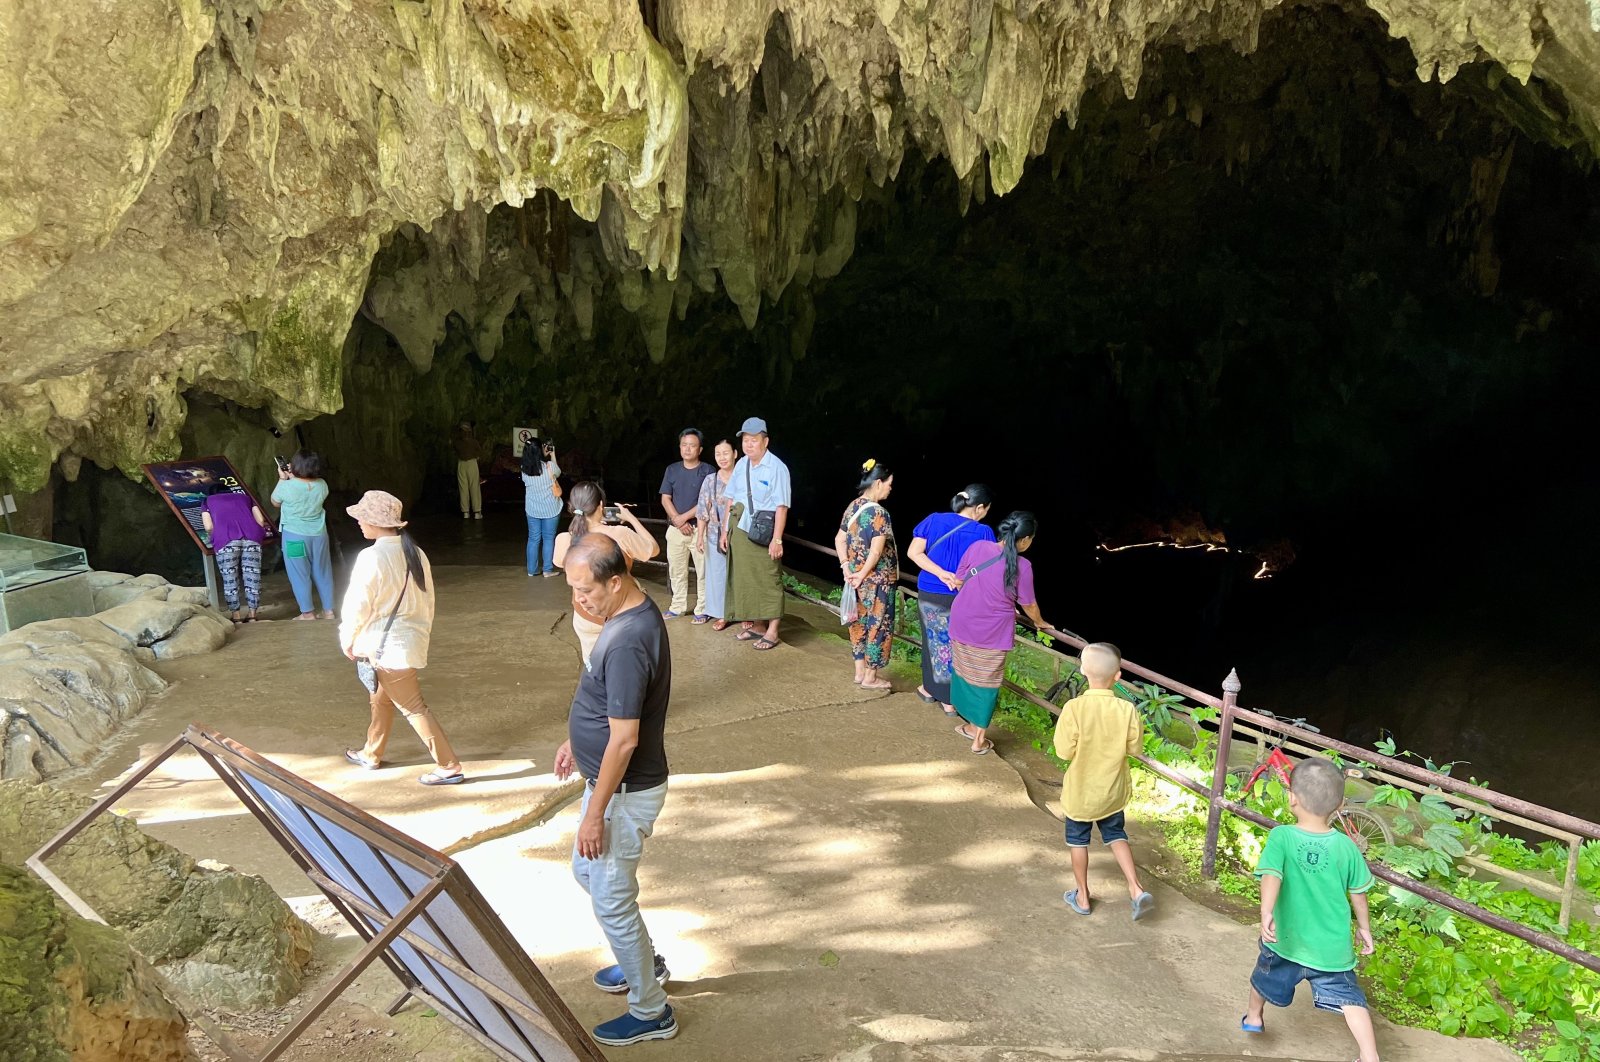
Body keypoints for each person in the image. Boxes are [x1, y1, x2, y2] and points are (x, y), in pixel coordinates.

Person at [552, 535, 678, 1046]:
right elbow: (606, 703)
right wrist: (574, 738)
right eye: (573, 589)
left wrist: (592, 814)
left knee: (611, 898)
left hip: (623, 793)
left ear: (616, 581)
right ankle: (642, 962)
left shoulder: (627, 639)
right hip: (609, 785)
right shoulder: (622, 619)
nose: (579, 600)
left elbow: (625, 739)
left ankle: (651, 1011)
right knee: (589, 873)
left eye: (586, 591)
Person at [1242, 756, 1378, 1062]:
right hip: (1332, 948)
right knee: (1351, 999)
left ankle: (1253, 1017)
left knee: (1263, 977)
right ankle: (1369, 1055)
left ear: (1292, 798)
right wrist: (1365, 928)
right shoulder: (1347, 847)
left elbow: (1271, 875)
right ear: (1340, 804)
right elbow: (1359, 894)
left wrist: (1266, 913)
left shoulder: (1283, 837)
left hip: (1285, 940)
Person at [338, 491, 466, 786]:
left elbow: (358, 604)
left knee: (413, 707)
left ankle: (449, 765)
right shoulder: (415, 552)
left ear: (374, 521)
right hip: (404, 642)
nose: (358, 522)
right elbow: (428, 600)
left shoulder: (371, 556)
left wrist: (347, 636)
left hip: (387, 648)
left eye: (362, 517)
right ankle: (371, 752)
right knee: (381, 699)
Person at [1054, 642, 1154, 920]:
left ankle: (1083, 897)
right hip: (1113, 790)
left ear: (1084, 670)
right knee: (1116, 834)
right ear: (1118, 675)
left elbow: (1064, 752)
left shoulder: (1074, 708)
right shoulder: (1127, 710)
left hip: (1080, 793)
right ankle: (1135, 889)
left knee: (1078, 841)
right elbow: (1135, 749)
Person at [947, 511, 1053, 754]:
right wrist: (1040, 622)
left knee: (964, 675)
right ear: (1024, 540)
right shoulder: (1023, 566)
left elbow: (961, 580)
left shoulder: (978, 547)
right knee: (987, 683)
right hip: (991, 633)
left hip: (963, 622)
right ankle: (978, 739)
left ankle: (973, 728)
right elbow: (1029, 605)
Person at [906, 484, 994, 715]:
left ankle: (931, 690)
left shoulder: (934, 520)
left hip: (930, 591)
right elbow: (985, 570)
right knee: (955, 645)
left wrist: (940, 572)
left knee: (933, 640)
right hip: (962, 597)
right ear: (980, 507)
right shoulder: (984, 532)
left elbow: (914, 553)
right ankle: (948, 699)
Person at [554, 482, 660, 665]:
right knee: (624, 668)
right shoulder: (619, 534)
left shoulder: (564, 540)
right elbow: (653, 549)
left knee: (594, 669)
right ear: (601, 506)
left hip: (585, 614)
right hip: (620, 613)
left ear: (572, 507)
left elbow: (559, 561)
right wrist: (631, 519)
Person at [720, 417, 791, 650]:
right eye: (746, 440)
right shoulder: (741, 465)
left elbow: (781, 506)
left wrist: (777, 539)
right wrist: (724, 531)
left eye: (754, 440)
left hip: (764, 530)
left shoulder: (777, 468)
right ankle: (758, 625)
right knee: (747, 578)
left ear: (766, 441)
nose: (749, 445)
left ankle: (773, 630)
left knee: (768, 577)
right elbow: (731, 498)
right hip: (739, 528)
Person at [833, 460, 897, 690]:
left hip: (855, 580)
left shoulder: (853, 506)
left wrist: (847, 568)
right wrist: (862, 573)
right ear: (878, 482)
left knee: (857, 621)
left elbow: (839, 539)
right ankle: (870, 677)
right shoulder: (880, 513)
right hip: (879, 582)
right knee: (878, 625)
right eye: (889, 483)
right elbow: (877, 550)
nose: (890, 488)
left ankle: (859, 671)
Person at [271, 450, 336, 620]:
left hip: (294, 536)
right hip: (319, 535)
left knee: (299, 573)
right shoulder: (322, 484)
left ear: (295, 465)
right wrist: (294, 477)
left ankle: (307, 613)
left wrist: (282, 478)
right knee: (323, 571)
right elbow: (306, 487)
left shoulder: (287, 486)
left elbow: (275, 502)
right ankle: (329, 611)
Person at [658, 429, 715, 620]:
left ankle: (703, 609)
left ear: (700, 449)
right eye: (684, 445)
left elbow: (707, 501)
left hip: (700, 529)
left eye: (692, 445)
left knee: (703, 572)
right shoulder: (672, 470)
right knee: (676, 570)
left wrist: (684, 517)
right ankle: (677, 606)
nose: (687, 449)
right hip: (676, 530)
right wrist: (677, 519)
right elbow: (665, 498)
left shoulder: (708, 471)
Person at [201, 484, 269, 623]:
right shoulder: (246, 498)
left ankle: (236, 616)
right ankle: (252, 615)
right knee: (252, 575)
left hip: (225, 539)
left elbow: (208, 526)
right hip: (252, 537)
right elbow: (261, 521)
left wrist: (214, 536)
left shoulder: (208, 501)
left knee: (230, 577)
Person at [693, 439, 737, 629]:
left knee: (740, 575)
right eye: (718, 454)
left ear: (735, 454)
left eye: (726, 453)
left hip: (739, 535)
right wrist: (700, 536)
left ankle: (744, 612)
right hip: (714, 534)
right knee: (717, 576)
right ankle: (722, 614)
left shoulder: (742, 478)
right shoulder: (711, 480)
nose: (722, 457)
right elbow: (703, 510)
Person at [521, 439, 563, 577]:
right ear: (541, 450)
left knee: (533, 539)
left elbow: (533, 465)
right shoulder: (549, 466)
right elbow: (557, 472)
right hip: (550, 509)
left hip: (532, 509)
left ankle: (532, 570)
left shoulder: (524, 470)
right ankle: (547, 570)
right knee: (548, 538)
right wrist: (551, 455)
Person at [453, 420, 483, 519]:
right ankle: (477, 512)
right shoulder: (473, 442)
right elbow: (479, 452)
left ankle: (465, 512)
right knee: (474, 487)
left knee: (463, 488)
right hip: (472, 463)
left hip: (461, 464)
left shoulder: (457, 442)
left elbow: (455, 451)